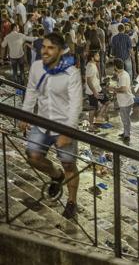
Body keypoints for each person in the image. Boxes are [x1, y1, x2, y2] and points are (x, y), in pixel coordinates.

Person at [20, 32, 83, 219]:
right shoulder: (37, 67)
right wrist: (25, 115)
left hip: (63, 125)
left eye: (50, 48)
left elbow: (75, 105)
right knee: (32, 156)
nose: (45, 51)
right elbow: (31, 91)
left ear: (60, 51)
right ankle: (56, 176)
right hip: (42, 122)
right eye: (43, 47)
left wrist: (68, 131)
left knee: (69, 164)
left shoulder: (71, 73)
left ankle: (72, 202)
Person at [112, 59, 134, 143]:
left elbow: (124, 89)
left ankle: (127, 135)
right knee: (124, 118)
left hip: (126, 101)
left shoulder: (123, 76)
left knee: (125, 119)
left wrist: (114, 89)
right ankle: (125, 132)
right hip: (124, 101)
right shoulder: (122, 74)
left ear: (115, 67)